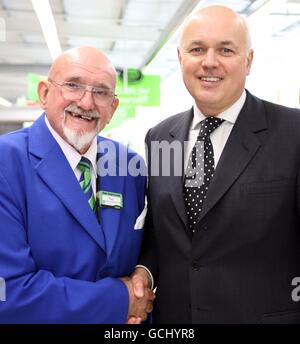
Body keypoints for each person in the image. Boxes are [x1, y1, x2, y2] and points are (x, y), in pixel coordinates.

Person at [131, 5, 300, 323]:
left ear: (247, 61)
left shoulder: (293, 133)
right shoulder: (161, 138)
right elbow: (161, 231)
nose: (210, 61)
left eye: (225, 49)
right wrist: (144, 273)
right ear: (181, 58)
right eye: (197, 49)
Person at [0, 46, 154, 323]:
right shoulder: (6, 163)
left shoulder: (130, 165)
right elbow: (8, 291)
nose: (86, 102)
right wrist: (122, 301)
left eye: (102, 92)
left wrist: (144, 274)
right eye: (73, 85)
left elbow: (151, 243)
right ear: (45, 93)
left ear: (113, 107)